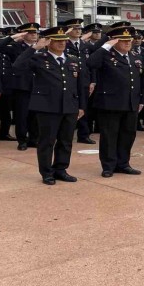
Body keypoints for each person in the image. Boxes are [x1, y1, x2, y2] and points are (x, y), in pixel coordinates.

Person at [14, 26, 87, 185]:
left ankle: (61, 169)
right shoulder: (39, 58)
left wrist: (81, 106)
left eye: (63, 40)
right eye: (57, 41)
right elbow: (17, 66)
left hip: (69, 106)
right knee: (47, 141)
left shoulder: (73, 60)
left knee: (66, 140)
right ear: (48, 42)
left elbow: (80, 85)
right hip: (47, 106)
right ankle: (46, 172)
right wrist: (35, 48)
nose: (62, 43)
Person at [87, 26, 144, 177]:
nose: (127, 43)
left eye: (129, 40)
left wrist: (142, 99)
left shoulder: (134, 56)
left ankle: (123, 164)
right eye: (123, 40)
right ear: (114, 41)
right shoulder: (106, 55)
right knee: (109, 136)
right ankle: (108, 166)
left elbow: (142, 80)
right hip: (110, 103)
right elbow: (91, 63)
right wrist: (106, 45)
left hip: (131, 102)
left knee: (128, 134)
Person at [0, 23, 40, 150]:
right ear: (23, 34)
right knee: (22, 115)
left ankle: (33, 139)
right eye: (29, 32)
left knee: (35, 115)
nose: (33, 34)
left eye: (35, 32)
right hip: (22, 85)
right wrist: (14, 37)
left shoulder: (41, 47)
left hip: (38, 86)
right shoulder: (16, 46)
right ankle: (22, 140)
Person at [65, 20, 96, 144]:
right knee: (69, 107)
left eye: (79, 28)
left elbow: (92, 64)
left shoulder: (85, 45)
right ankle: (66, 134)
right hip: (69, 80)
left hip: (84, 80)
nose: (78, 31)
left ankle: (83, 135)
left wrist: (93, 81)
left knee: (84, 107)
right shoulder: (64, 44)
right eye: (74, 28)